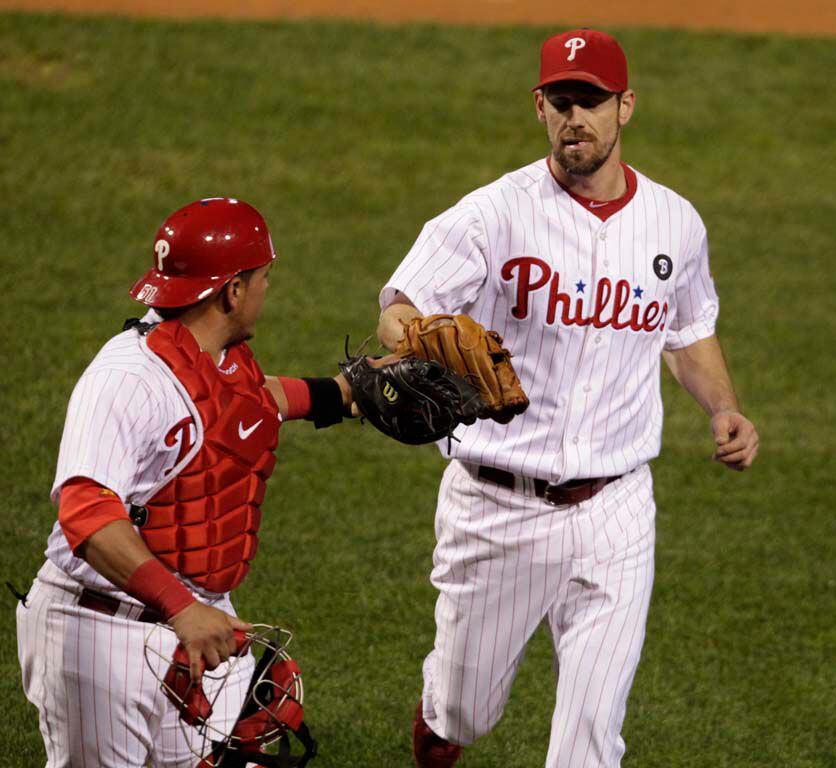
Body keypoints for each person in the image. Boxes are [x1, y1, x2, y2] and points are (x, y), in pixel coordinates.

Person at [376, 28, 759, 768]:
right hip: (497, 505)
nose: (574, 118)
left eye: (590, 102)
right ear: (539, 106)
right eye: (561, 101)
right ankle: (438, 719)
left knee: (591, 739)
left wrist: (723, 407)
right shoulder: (492, 214)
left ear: (626, 108)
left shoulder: (675, 224)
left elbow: (687, 330)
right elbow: (399, 302)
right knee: (466, 708)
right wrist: (419, 335)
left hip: (617, 508)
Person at [16, 197, 357, 767]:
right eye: (263, 278)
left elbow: (241, 406)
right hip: (99, 630)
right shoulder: (125, 378)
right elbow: (85, 512)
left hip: (196, 627)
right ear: (232, 290)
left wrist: (344, 394)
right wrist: (182, 608)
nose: (267, 291)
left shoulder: (212, 354)